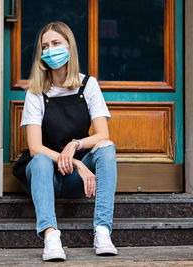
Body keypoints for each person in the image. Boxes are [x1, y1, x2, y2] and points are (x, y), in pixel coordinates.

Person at [13, 21, 118, 261]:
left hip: (73, 179)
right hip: (45, 176)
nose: (50, 50)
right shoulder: (36, 91)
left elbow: (103, 134)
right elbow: (35, 147)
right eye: (45, 46)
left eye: (56, 43)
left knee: (107, 149)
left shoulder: (88, 85)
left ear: (69, 47)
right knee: (39, 160)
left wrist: (76, 145)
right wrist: (78, 163)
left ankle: (102, 231)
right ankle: (51, 236)